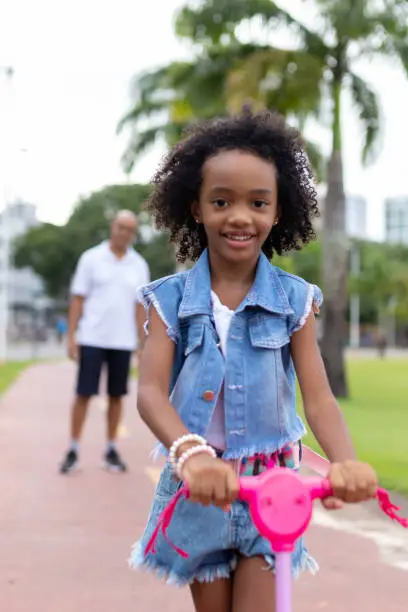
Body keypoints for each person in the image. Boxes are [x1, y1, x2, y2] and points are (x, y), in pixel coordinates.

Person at [130, 111, 378, 612]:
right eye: (221, 201)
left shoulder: (294, 301)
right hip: (201, 487)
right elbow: (151, 393)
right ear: (196, 208)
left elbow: (318, 396)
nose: (240, 216)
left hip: (274, 488)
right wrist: (191, 454)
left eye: (257, 203)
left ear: (277, 211)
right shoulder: (169, 300)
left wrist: (345, 462)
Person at [59, 209, 150, 475]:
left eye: (129, 229)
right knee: (84, 393)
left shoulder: (138, 264)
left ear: (133, 233)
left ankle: (111, 448)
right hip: (92, 338)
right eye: (120, 227)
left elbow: (140, 308)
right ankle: (73, 448)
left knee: (116, 396)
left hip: (122, 341)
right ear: (112, 227)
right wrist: (72, 336)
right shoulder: (91, 259)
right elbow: (78, 298)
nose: (123, 232)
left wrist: (142, 344)